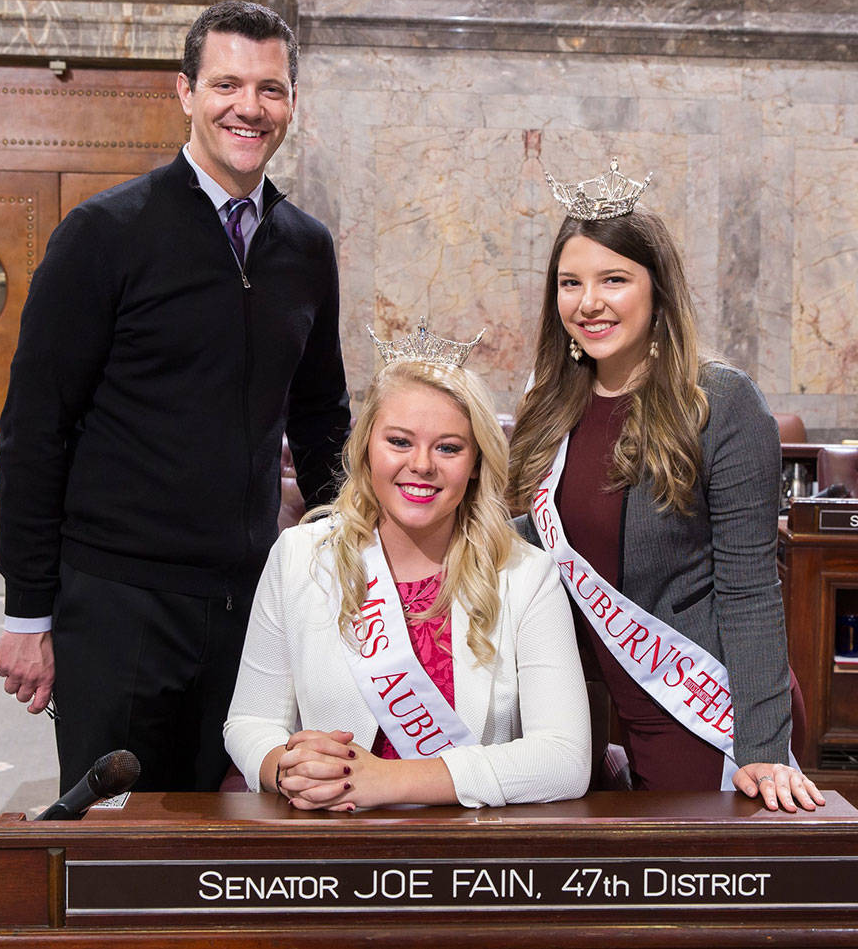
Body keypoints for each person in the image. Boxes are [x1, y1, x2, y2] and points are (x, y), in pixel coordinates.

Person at [0, 1, 351, 793]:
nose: (248, 108)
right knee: (116, 847)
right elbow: (34, 430)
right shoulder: (105, 234)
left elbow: (324, 418)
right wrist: (27, 611)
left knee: (231, 843)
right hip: (119, 603)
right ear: (184, 92)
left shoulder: (306, 247)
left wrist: (353, 555)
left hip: (250, 604)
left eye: (271, 89)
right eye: (226, 84)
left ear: (292, 102)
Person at [506, 160, 823, 812]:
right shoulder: (549, 409)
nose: (588, 301)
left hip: (708, 707)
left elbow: (751, 587)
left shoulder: (721, 402)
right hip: (599, 704)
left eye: (613, 279)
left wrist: (762, 747)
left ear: (658, 291)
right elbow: (536, 548)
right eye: (571, 283)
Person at [224, 330, 590, 810]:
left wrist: (385, 781)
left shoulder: (526, 575)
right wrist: (284, 765)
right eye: (399, 441)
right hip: (331, 844)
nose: (421, 465)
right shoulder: (300, 557)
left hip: (471, 856)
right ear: (366, 448)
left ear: (477, 461)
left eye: (448, 448)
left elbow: (564, 760)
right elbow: (249, 721)